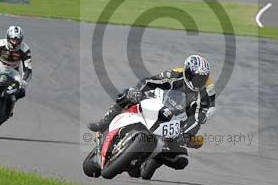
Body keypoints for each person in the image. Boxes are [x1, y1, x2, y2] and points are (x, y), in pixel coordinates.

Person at [87, 54, 216, 171]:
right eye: (196, 77)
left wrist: (185, 134)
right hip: (157, 104)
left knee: (181, 160)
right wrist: (137, 91)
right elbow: (149, 82)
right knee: (128, 94)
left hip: (175, 122)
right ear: (187, 73)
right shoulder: (175, 75)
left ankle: (155, 157)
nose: (198, 81)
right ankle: (104, 123)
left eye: (202, 78)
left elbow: (196, 120)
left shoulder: (204, 96)